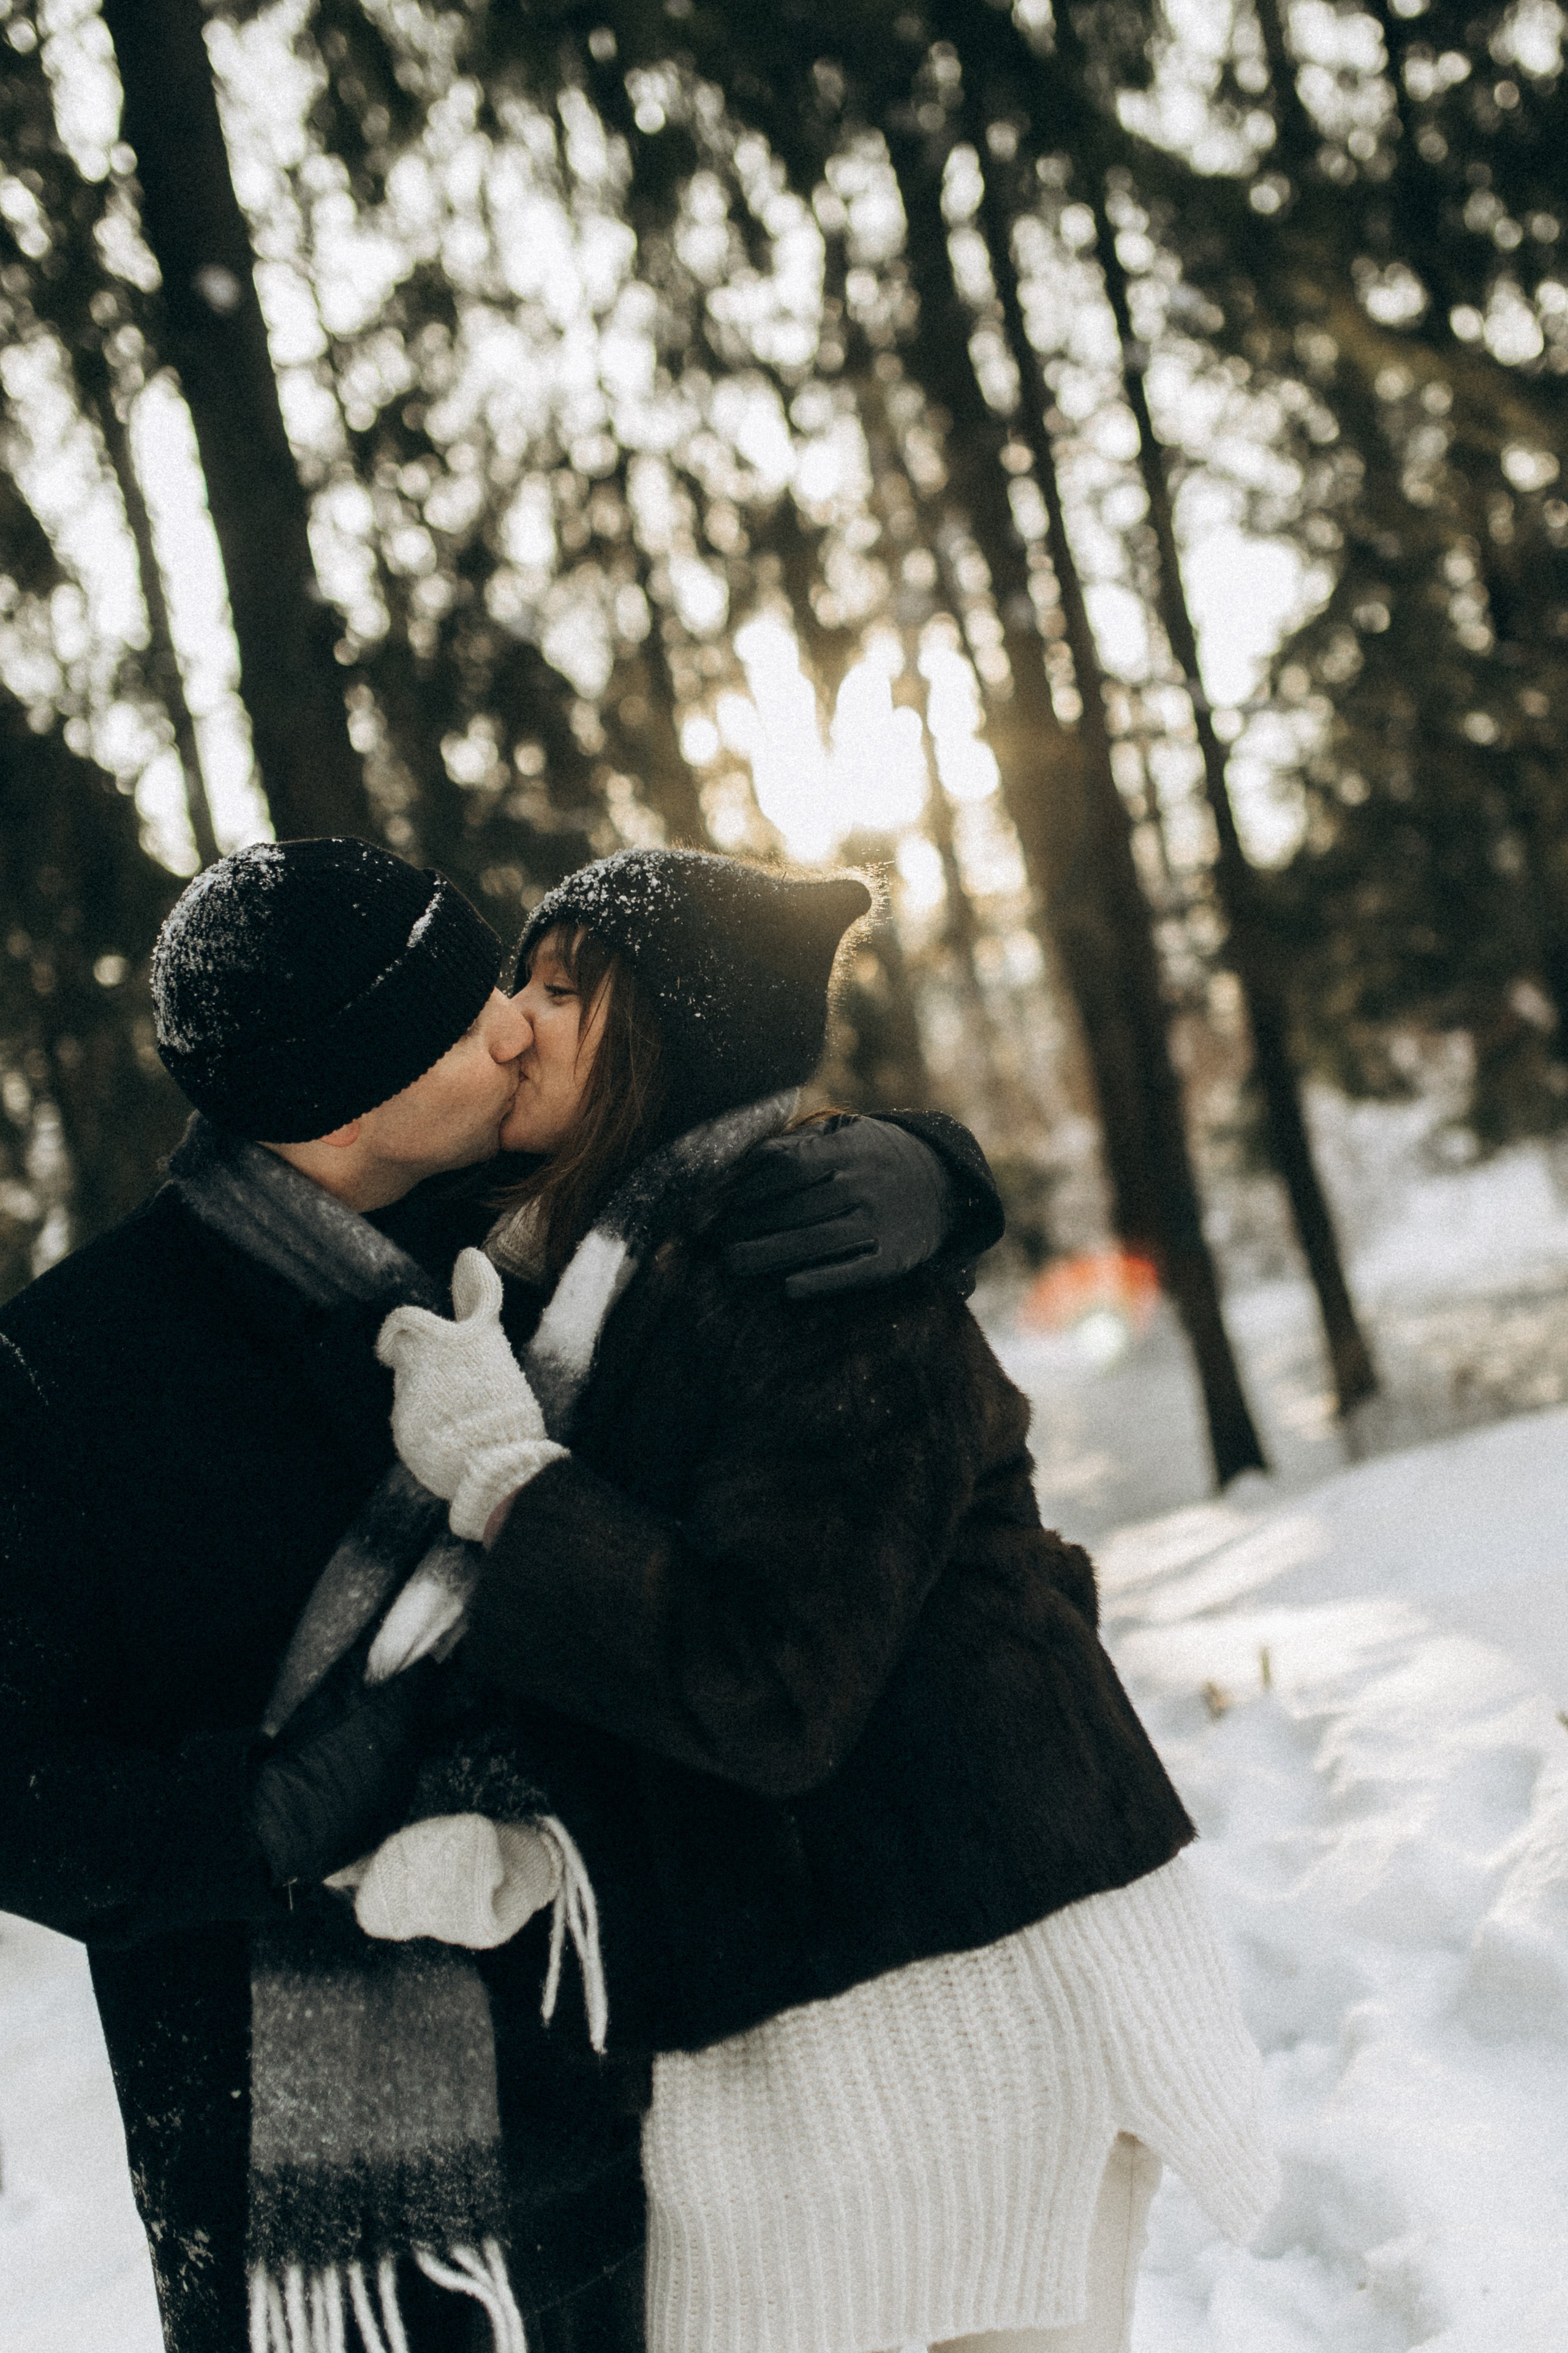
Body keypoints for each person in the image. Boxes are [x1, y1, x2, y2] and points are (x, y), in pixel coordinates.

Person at [0, 836, 1001, 2353]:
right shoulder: (67, 1374)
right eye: (469, 1010)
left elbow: (726, 1137)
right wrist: (254, 1824)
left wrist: (933, 1176)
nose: (516, 1027)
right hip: (306, 2192)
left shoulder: (533, 1234)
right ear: (350, 1096)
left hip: (617, 2092)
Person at [365, 847, 1281, 2353]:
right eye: (518, 979)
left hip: (992, 1989)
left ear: (676, 1038)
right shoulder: (561, 1284)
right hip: (791, 2039)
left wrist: (508, 1485)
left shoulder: (811, 1262)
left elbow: (771, 1685)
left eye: (562, 990)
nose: (512, 1019)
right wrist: (530, 1834)